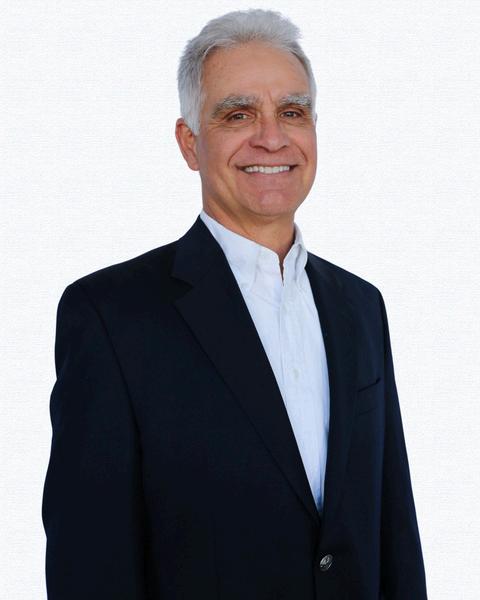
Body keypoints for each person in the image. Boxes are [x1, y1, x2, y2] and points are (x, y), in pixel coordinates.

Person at [42, 8, 427, 600]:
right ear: (189, 143)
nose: (272, 137)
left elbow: (393, 530)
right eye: (238, 114)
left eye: (292, 112)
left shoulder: (360, 307)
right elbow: (90, 564)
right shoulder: (110, 317)